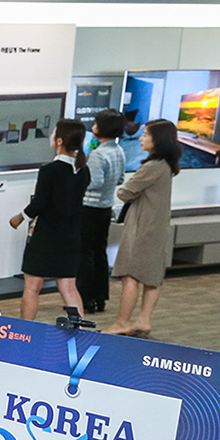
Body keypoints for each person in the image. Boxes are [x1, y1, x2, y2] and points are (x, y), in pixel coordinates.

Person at [105, 119, 182, 337]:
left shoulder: (151, 166)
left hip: (142, 228)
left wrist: (128, 191)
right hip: (157, 228)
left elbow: (125, 192)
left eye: (146, 134)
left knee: (131, 276)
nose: (141, 138)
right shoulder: (166, 165)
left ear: (158, 140)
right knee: (152, 278)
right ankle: (143, 320)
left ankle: (122, 322)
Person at [10, 119, 90, 320]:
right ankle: (80, 330)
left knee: (32, 287)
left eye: (54, 134)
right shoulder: (83, 170)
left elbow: (40, 203)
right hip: (71, 235)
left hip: (46, 235)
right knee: (68, 287)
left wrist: (20, 217)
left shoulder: (50, 170)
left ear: (60, 141)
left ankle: (26, 330)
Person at [77, 109, 128, 315]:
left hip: (89, 208)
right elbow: (120, 179)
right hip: (106, 208)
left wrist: (79, 181)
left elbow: (94, 182)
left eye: (96, 123)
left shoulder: (98, 154)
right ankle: (100, 297)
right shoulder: (119, 150)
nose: (93, 126)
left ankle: (85, 298)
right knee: (100, 252)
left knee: (85, 254)